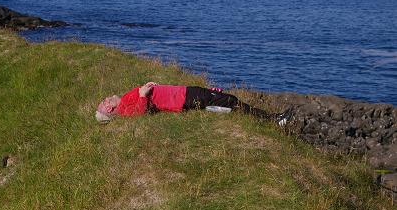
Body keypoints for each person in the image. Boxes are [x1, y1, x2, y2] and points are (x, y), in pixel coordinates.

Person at [96, 82, 292, 126]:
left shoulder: (123, 102)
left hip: (183, 92)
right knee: (231, 101)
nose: (106, 98)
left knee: (221, 97)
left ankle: (217, 107)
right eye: (104, 103)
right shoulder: (123, 109)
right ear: (110, 109)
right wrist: (142, 94)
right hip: (183, 98)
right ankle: (273, 120)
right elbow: (139, 112)